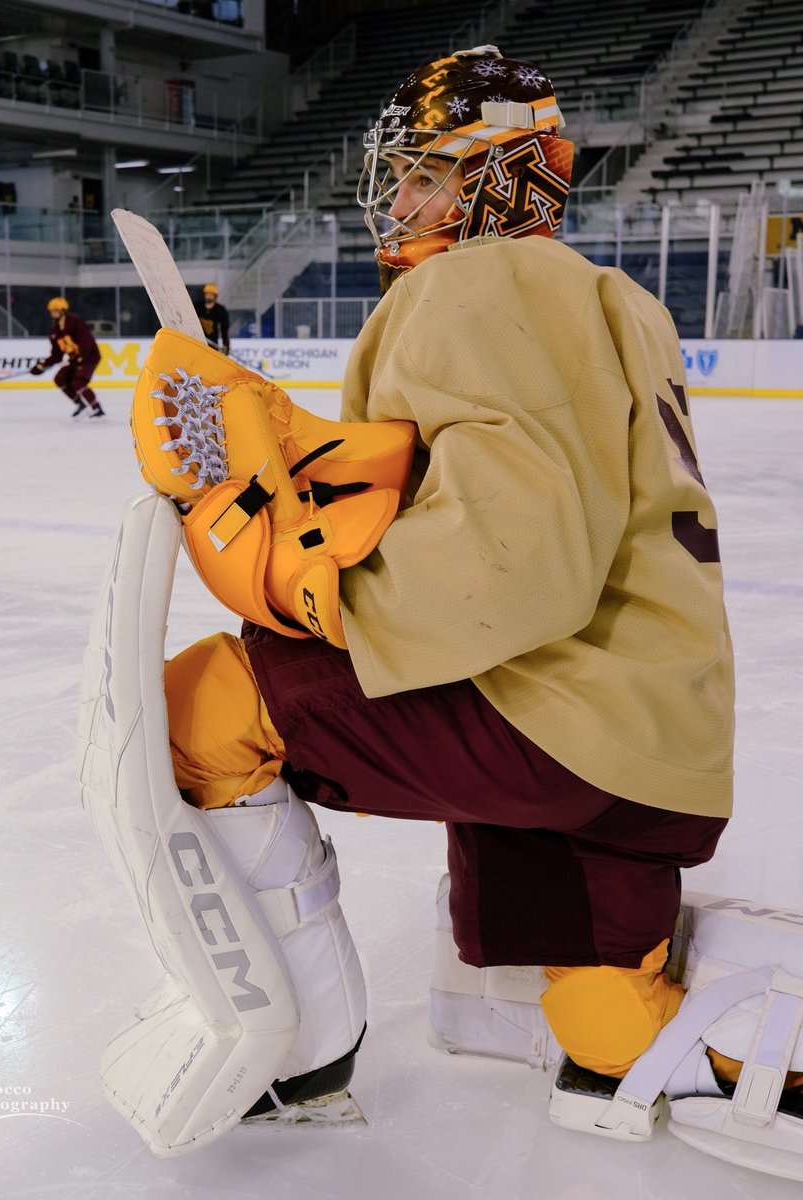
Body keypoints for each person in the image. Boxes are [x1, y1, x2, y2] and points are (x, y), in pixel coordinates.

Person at [85, 45, 758, 1157]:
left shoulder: (474, 281)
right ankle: (606, 1018)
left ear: (499, 175)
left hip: (570, 731)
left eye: (424, 176)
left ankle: (299, 1047)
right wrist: (303, 455)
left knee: (209, 703)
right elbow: (513, 482)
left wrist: (303, 578)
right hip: (656, 748)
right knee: (597, 992)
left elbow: (509, 564)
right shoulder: (609, 295)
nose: (397, 201)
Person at [30, 296, 105, 417]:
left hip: (89, 357)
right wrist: (42, 365)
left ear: (63, 310)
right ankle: (80, 404)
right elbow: (56, 355)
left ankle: (97, 408)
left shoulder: (75, 322)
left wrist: (80, 357)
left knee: (78, 381)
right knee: (60, 378)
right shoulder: (55, 331)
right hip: (75, 360)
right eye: (51, 311)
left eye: (55, 311)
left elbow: (88, 342)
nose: (52, 314)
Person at [194, 282, 230, 354]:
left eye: (211, 294)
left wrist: (225, 344)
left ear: (215, 296)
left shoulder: (220, 310)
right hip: (197, 341)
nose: (209, 296)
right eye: (207, 294)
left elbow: (224, 328)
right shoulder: (197, 307)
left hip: (212, 344)